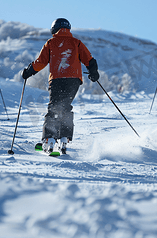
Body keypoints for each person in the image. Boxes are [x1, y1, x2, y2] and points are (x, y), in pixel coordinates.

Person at [22, 18, 99, 154]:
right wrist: (93, 72)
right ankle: (64, 138)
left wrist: (29, 71)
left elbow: (41, 61)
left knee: (54, 107)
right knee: (66, 106)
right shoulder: (76, 42)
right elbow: (89, 59)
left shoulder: (51, 43)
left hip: (57, 79)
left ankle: (49, 139)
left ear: (54, 28)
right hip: (74, 80)